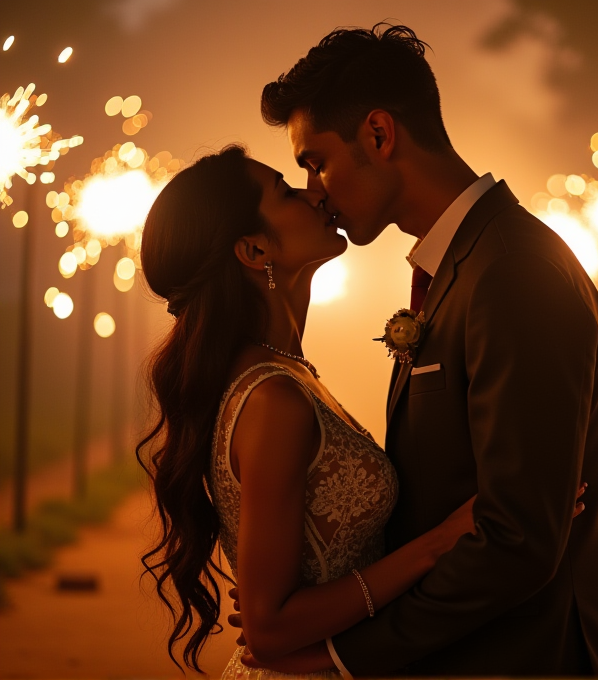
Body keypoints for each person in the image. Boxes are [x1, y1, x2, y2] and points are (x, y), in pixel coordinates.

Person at [229, 23, 598, 678]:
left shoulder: (513, 272)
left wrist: (342, 653)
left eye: (317, 161)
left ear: (379, 135)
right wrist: (314, 599)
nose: (316, 191)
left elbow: (517, 542)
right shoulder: (461, 270)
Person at [138, 144, 487, 676]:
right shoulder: (272, 399)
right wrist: (439, 544)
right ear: (255, 251)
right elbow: (269, 627)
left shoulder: (287, 373)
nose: (314, 193)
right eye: (285, 191)